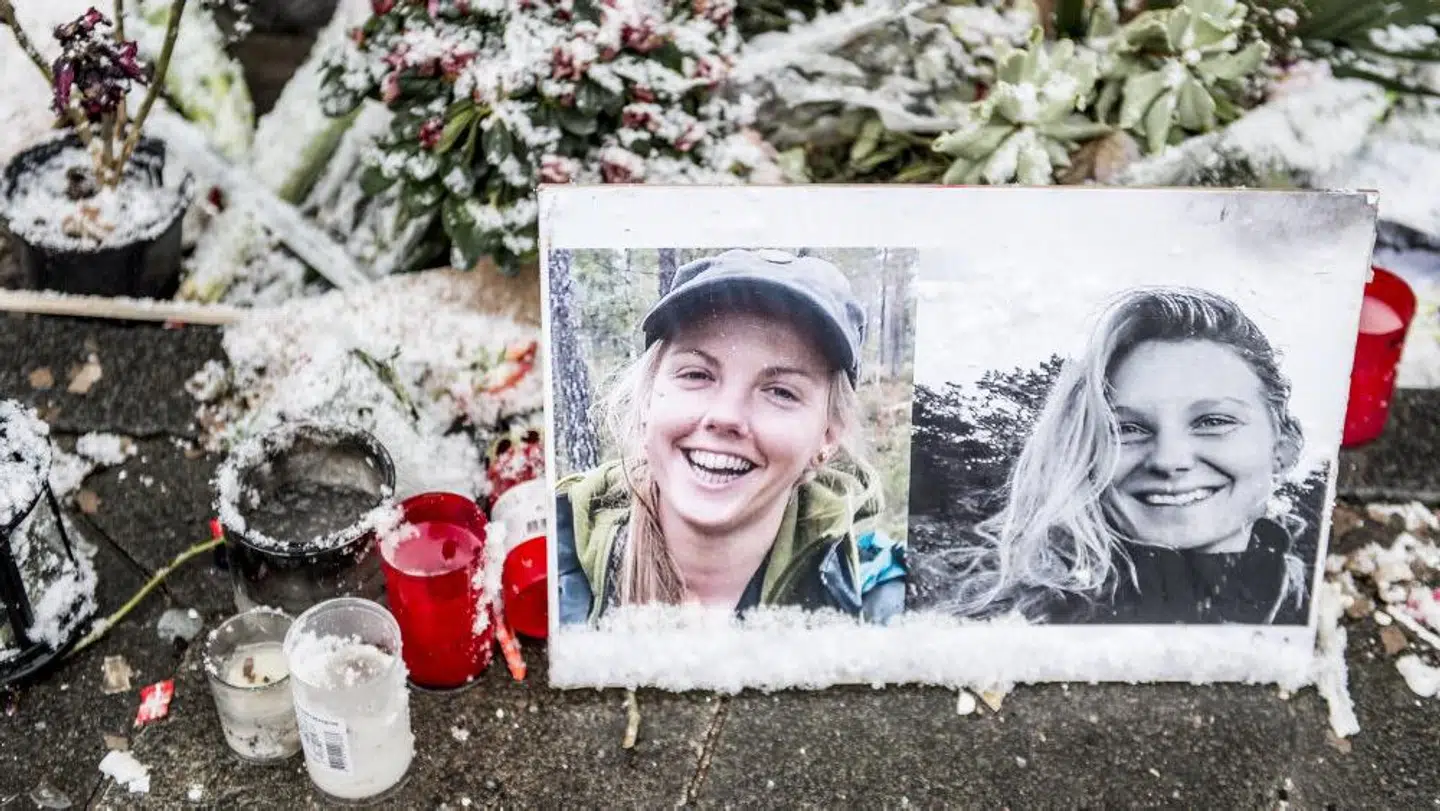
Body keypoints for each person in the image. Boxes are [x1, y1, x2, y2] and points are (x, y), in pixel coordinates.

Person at [554, 248, 907, 626]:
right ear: (646, 404)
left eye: (780, 392)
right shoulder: (551, 557)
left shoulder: (881, 599)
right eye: (696, 375)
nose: (726, 416)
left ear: (827, 437)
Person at [918, 286, 1311, 625]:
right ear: (1083, 454)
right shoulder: (1005, 626)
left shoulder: (1318, 612)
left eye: (1212, 421)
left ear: (1283, 446)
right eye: (1127, 429)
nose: (1169, 459)